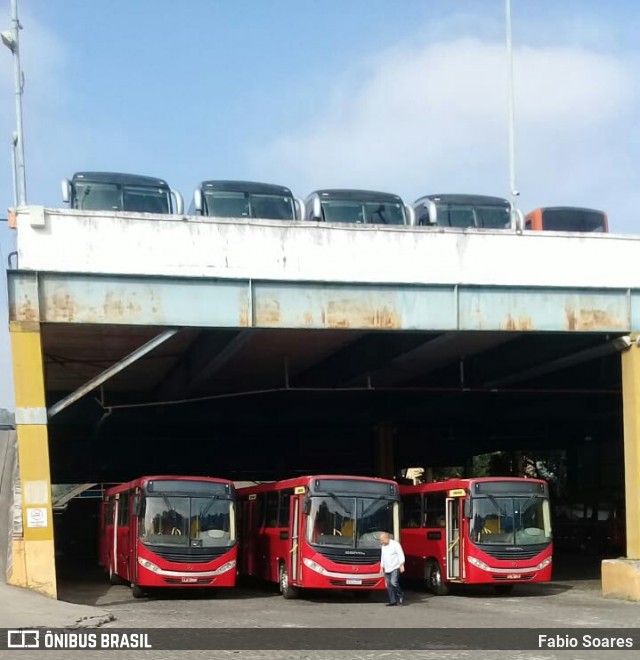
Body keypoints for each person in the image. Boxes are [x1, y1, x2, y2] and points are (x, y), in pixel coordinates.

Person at [379, 532, 405, 606]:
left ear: (387, 538)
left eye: (382, 540)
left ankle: (400, 595)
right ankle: (392, 600)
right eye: (380, 540)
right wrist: (381, 566)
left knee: (393, 582)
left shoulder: (395, 544)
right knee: (389, 585)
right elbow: (382, 557)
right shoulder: (383, 546)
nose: (381, 542)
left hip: (395, 567)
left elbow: (400, 554)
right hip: (387, 568)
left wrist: (401, 564)